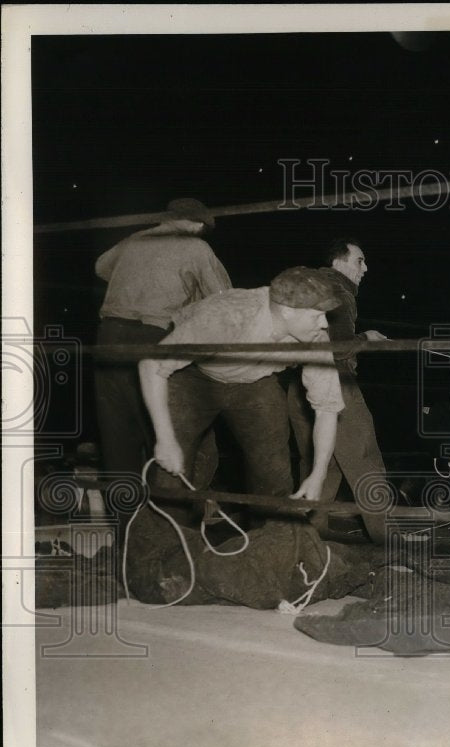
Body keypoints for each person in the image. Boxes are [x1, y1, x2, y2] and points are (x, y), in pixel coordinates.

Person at [138, 267, 345, 519]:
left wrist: (318, 476)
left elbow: (327, 408)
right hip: (196, 376)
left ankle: (274, 537)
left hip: (254, 382)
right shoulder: (229, 316)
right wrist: (165, 438)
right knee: (171, 467)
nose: (324, 324)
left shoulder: (316, 338)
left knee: (273, 470)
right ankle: (168, 534)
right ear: (288, 311)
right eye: (317, 316)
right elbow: (151, 365)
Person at [93, 198, 230, 536]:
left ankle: (128, 536)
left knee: (117, 440)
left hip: (108, 339)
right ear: (198, 225)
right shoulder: (197, 247)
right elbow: (223, 297)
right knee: (167, 434)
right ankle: (169, 534)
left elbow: (100, 267)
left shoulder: (134, 240)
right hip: (154, 337)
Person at [286, 238, 390, 543]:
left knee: (322, 461)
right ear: (338, 262)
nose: (365, 268)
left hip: (297, 385)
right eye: (359, 260)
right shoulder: (339, 290)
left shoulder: (310, 286)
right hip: (334, 381)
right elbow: (340, 347)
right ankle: (386, 537)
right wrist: (367, 339)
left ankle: (310, 536)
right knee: (364, 457)